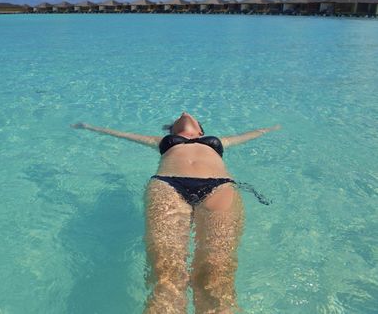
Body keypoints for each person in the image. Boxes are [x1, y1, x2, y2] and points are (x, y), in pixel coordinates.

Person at [71, 112, 281, 314]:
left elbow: (255, 133)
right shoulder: (163, 140)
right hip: (168, 186)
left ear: (201, 130)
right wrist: (88, 126)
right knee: (167, 276)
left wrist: (274, 126)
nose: (183, 112)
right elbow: (123, 134)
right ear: (171, 130)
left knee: (216, 276)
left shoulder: (218, 141)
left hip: (219, 187)